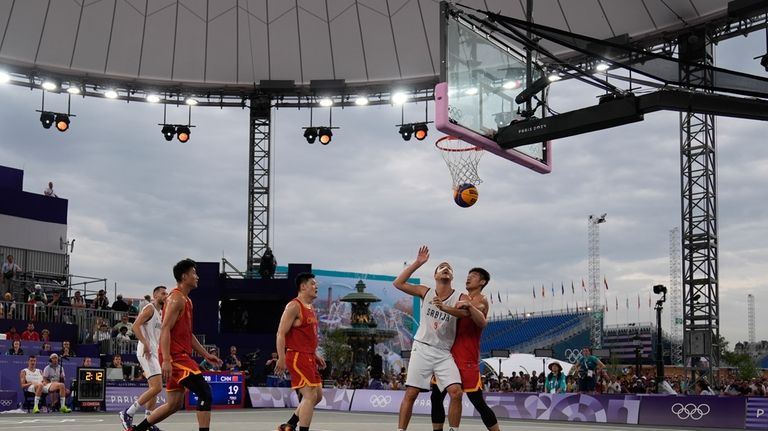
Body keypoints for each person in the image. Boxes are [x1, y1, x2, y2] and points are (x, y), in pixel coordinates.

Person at [126, 259, 222, 431]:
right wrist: (167, 360)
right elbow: (165, 330)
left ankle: (138, 429)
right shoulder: (176, 299)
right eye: (194, 273)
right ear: (184, 277)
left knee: (174, 404)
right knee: (204, 392)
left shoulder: (187, 301)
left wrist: (205, 354)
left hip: (180, 355)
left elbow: (187, 334)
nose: (197, 276)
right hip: (176, 357)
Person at [394, 246, 463, 431]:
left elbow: (466, 313)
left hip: (443, 352)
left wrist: (446, 308)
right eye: (442, 267)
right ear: (435, 276)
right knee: (411, 393)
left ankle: (453, 430)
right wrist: (418, 262)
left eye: (449, 267)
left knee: (456, 393)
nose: (446, 268)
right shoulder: (426, 292)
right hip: (422, 347)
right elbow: (398, 283)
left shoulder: (459, 297)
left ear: (452, 277)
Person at [431, 267, 500, 431]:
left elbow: (475, 317)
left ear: (482, 282)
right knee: (436, 396)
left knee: (478, 402)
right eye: (468, 275)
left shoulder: (481, 301)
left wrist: (446, 307)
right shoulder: (462, 298)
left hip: (467, 358)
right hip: (449, 356)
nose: (469, 278)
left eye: (474, 276)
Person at [274, 272, 326, 431]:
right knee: (309, 395)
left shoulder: (311, 308)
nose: (316, 286)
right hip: (296, 357)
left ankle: (289, 425)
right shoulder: (294, 306)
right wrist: (281, 358)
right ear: (303, 286)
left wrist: (315, 355)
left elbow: (306, 337)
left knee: (317, 396)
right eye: (312, 283)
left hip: (308, 356)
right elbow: (280, 333)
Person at [120, 285, 167, 431]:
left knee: (154, 389)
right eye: (163, 293)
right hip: (146, 352)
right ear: (155, 296)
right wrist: (145, 343)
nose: (166, 295)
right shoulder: (150, 308)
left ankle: (149, 420)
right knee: (157, 387)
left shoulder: (161, 313)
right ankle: (128, 412)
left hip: (154, 353)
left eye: (167, 293)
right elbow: (135, 326)